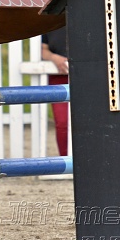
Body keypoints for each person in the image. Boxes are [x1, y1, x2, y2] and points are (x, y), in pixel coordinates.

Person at [41, 28, 70, 156]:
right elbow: (42, 49)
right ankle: (66, 160)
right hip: (58, 75)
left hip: (87, 74)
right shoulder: (49, 20)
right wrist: (54, 58)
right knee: (62, 122)